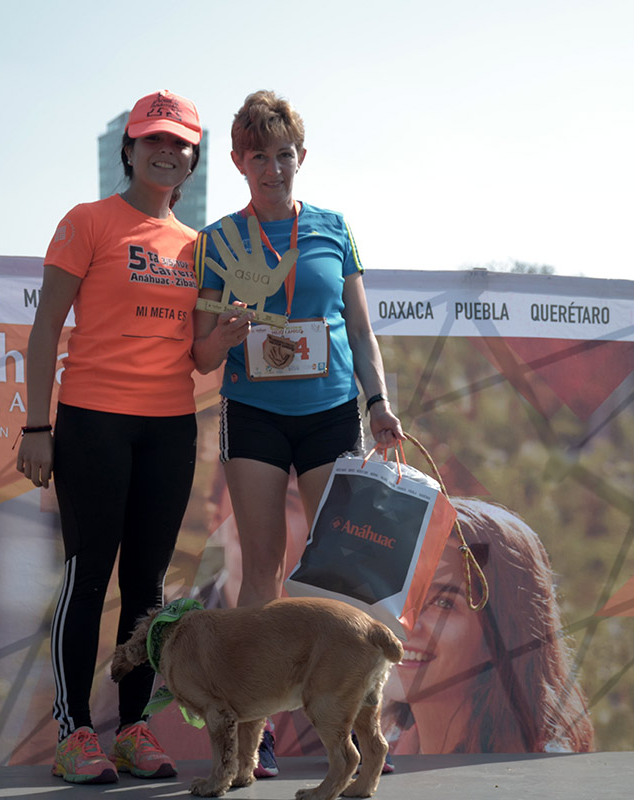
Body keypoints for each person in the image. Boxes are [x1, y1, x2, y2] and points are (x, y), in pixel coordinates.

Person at [16, 89, 247, 785]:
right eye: (154, 140)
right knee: (88, 579)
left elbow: (198, 358)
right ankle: (74, 732)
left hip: (170, 429)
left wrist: (227, 336)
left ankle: (134, 726)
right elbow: (44, 330)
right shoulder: (87, 222)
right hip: (92, 422)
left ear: (194, 159)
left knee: (147, 592)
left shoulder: (200, 247)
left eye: (180, 144)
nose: (166, 152)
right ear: (130, 149)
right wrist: (36, 426)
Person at [193, 89, 405, 776]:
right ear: (238, 161)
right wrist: (226, 333)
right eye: (259, 156)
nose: (273, 168)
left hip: (329, 413)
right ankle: (258, 743)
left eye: (284, 155)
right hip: (254, 414)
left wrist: (378, 403)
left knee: (342, 573)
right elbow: (199, 350)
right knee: (262, 570)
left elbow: (362, 329)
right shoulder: (219, 241)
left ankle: (366, 735)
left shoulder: (335, 228)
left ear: (301, 157)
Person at [382, 498, 595, 753]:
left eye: (444, 603)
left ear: (504, 632)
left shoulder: (532, 778)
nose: (405, 622)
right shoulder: (385, 747)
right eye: (403, 592)